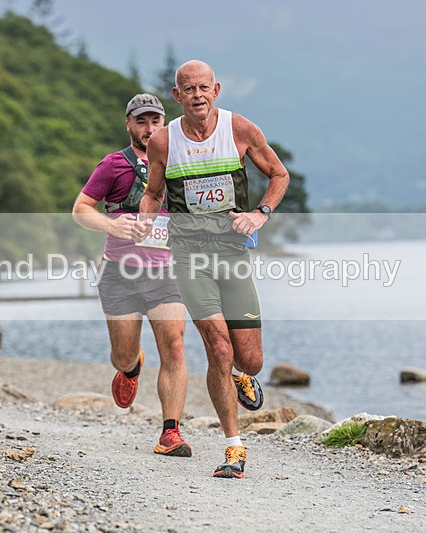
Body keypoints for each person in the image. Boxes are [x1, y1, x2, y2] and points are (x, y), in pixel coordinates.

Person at [139, 61, 289, 478]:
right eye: (189, 89)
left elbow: (278, 174)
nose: (197, 95)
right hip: (189, 257)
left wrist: (260, 214)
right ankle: (234, 448)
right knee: (218, 348)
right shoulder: (164, 142)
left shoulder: (239, 129)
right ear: (177, 95)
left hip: (232, 253)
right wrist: (145, 219)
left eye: (204, 87)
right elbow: (152, 194)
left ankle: (243, 376)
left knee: (251, 359)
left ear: (216, 90)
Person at [72, 93, 192, 458]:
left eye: (156, 121)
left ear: (165, 124)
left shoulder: (181, 164)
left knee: (173, 346)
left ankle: (170, 432)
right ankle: (131, 367)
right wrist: (113, 224)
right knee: (122, 356)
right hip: (119, 274)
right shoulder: (113, 165)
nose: (149, 128)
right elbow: (80, 210)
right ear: (129, 125)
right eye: (141, 121)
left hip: (166, 274)